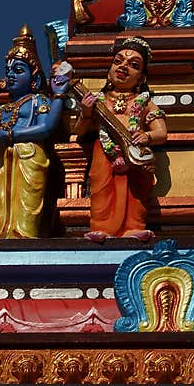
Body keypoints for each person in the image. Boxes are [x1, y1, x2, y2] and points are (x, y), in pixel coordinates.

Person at [0, 25, 69, 238]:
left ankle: (25, 239)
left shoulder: (39, 101)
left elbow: (46, 127)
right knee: (0, 201)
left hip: (30, 158)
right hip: (3, 161)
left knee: (27, 206)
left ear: (34, 78)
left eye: (18, 71)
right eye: (8, 71)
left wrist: (59, 96)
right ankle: (1, 238)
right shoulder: (2, 108)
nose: (11, 76)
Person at [73, 36, 167, 242]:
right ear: (109, 70)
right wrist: (86, 113)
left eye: (133, 65)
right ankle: (101, 227)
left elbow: (161, 133)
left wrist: (146, 135)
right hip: (104, 153)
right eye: (118, 61)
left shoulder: (144, 102)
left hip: (135, 151)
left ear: (141, 78)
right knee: (102, 188)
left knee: (135, 190)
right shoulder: (99, 100)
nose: (123, 66)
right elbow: (79, 131)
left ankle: (133, 227)